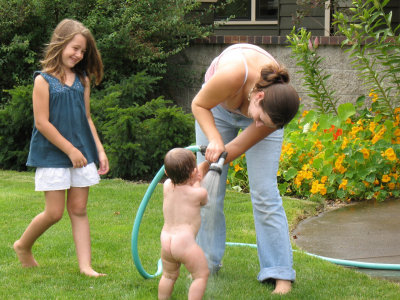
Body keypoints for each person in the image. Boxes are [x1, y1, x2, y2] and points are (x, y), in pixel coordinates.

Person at [191, 43, 300, 294]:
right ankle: (205, 264)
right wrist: (212, 147)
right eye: (260, 120)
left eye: (265, 124)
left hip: (261, 109)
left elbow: (238, 145)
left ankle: (280, 272)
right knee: (208, 190)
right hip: (214, 108)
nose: (258, 124)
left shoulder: (273, 112)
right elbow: (198, 104)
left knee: (265, 192)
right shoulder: (233, 73)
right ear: (258, 96)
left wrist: (213, 160)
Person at [13, 19, 109, 277]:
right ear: (61, 42)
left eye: (82, 51)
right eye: (74, 48)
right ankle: (23, 245)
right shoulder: (43, 81)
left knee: (78, 209)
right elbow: (42, 123)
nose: (78, 55)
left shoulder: (82, 79)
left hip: (82, 152)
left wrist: (98, 150)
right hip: (54, 154)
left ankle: (85, 266)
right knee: (54, 213)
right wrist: (70, 150)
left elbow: (87, 117)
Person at [158, 148, 209, 300]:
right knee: (201, 275)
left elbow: (181, 188)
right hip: (184, 242)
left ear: (166, 172)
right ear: (193, 172)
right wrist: (197, 181)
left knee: (168, 276)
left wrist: (192, 178)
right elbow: (202, 201)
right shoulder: (198, 193)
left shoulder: (167, 185)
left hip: (166, 239)